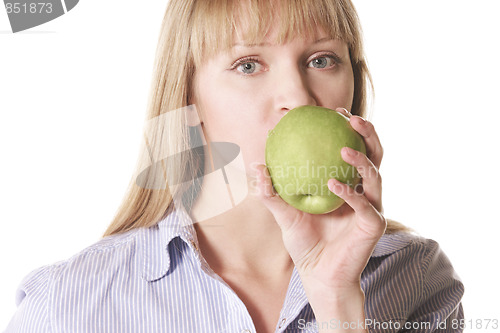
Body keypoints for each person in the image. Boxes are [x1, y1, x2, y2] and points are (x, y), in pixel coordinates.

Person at [5, 0, 464, 332]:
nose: (299, 98)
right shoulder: (69, 306)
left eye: (321, 60)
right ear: (189, 96)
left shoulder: (416, 278)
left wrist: (337, 302)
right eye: (248, 65)